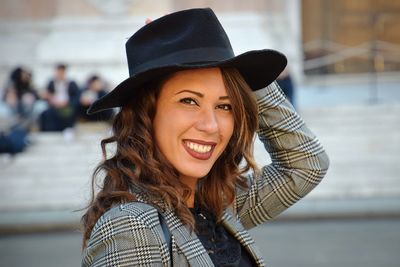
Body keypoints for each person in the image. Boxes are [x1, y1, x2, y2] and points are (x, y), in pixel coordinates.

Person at [81, 8, 329, 267]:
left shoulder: (215, 203)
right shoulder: (132, 226)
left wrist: (240, 72)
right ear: (147, 114)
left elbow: (306, 164)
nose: (211, 126)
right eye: (188, 101)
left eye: (225, 106)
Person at [39, 63, 80, 131]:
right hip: (54, 106)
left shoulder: (71, 83)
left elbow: (76, 97)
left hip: (67, 106)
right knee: (45, 114)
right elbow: (47, 95)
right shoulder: (51, 83)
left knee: (68, 114)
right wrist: (51, 100)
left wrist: (66, 103)